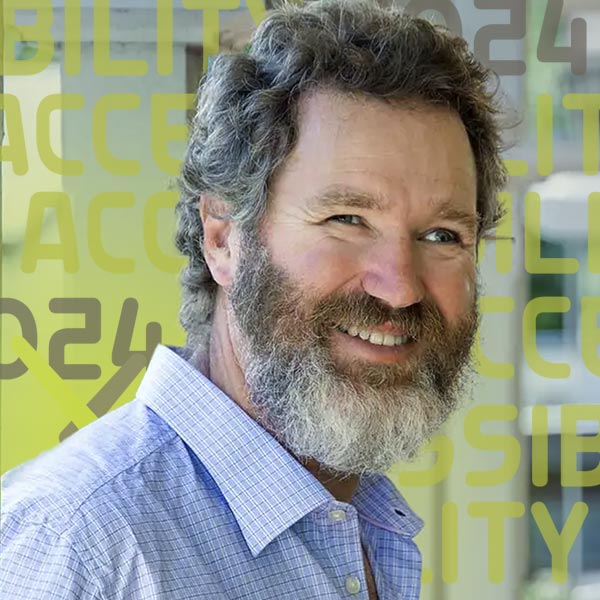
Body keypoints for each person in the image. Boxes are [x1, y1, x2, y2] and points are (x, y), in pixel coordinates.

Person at [1, 1, 507, 598]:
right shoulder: (80, 545)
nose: (399, 286)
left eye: (442, 236)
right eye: (347, 219)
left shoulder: (366, 528)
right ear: (223, 239)